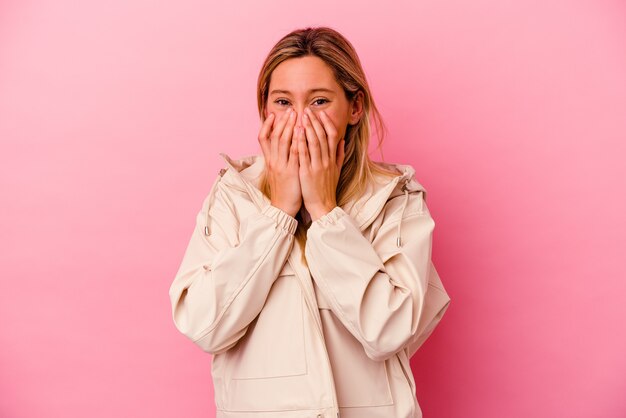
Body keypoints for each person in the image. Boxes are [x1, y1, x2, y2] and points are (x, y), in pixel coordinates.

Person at [168, 26, 451, 418]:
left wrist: (324, 210)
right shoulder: (233, 195)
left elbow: (390, 330)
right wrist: (279, 212)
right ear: (265, 111)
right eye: (283, 102)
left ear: (354, 108)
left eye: (319, 101)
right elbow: (204, 325)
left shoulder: (396, 198)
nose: (300, 122)